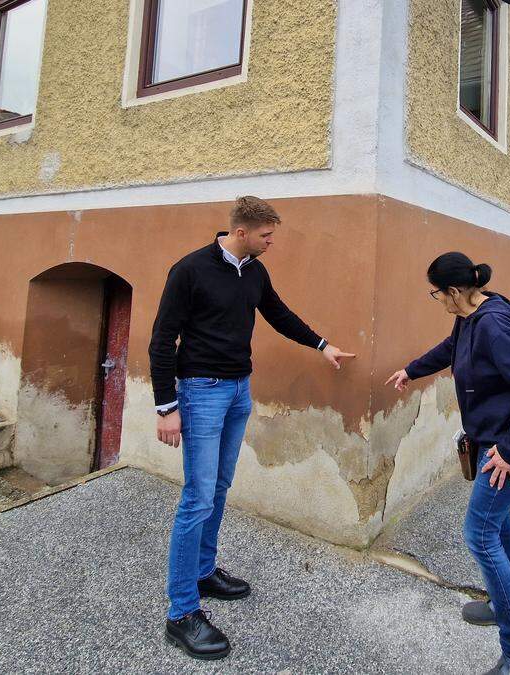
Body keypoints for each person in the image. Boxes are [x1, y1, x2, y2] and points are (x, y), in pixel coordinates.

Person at [149, 196, 355, 661]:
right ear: (242, 232)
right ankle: (181, 612)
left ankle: (204, 570)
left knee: (219, 487)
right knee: (197, 497)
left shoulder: (253, 272)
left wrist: (322, 344)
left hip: (239, 389)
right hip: (200, 392)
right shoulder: (190, 270)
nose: (271, 242)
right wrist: (167, 407)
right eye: (266, 235)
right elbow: (163, 338)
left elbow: (278, 314)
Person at [386, 252, 510, 675]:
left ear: (455, 291)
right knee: (498, 524)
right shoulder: (471, 317)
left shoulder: (493, 325)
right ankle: (502, 604)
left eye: (436, 293)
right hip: (496, 442)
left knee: (479, 534)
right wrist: (412, 369)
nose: (436, 299)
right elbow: (450, 348)